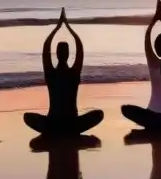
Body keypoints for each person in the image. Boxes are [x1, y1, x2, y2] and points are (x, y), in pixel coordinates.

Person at [24, 8, 104, 136]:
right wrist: (68, 27)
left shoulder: (52, 73)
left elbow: (45, 49)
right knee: (98, 114)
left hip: (53, 124)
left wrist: (57, 28)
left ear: (57, 54)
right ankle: (65, 130)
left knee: (27, 117)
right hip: (71, 124)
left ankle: (57, 131)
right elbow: (80, 50)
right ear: (67, 55)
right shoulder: (73, 73)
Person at [121, 0, 161, 130]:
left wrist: (155, 19)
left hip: (156, 118)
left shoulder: (154, 64)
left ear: (158, 48)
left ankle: (158, 126)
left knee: (125, 109)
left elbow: (147, 37)